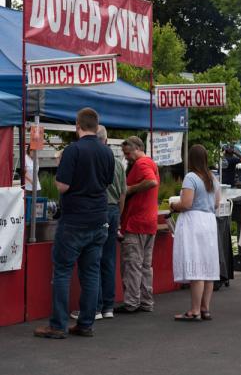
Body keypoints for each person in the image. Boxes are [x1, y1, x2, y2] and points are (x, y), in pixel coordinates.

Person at [34, 108, 114, 339]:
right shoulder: (107, 152)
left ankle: (58, 325)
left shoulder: (73, 150)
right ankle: (86, 323)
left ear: (77, 126)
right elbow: (107, 183)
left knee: (62, 272)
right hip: (99, 219)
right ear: (96, 126)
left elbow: (62, 186)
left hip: (74, 220)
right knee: (90, 273)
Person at [70, 126, 127, 321]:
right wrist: (118, 215)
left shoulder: (90, 159)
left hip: (97, 211)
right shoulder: (118, 163)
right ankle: (108, 306)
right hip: (113, 212)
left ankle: (95, 307)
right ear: (107, 139)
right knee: (109, 259)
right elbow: (123, 193)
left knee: (93, 259)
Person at [170, 145, 220, 321]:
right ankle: (205, 308)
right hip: (209, 222)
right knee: (208, 267)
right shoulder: (213, 178)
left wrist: (173, 206)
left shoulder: (191, 177)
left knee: (197, 266)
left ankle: (194, 310)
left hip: (194, 222)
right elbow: (216, 204)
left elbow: (186, 203)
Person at [115, 136, 160, 314]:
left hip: (137, 223)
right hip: (149, 222)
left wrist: (130, 189)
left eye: (128, 153)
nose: (126, 157)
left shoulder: (141, 164)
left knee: (132, 264)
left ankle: (132, 302)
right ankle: (146, 301)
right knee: (145, 265)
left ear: (138, 148)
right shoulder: (150, 163)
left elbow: (151, 182)